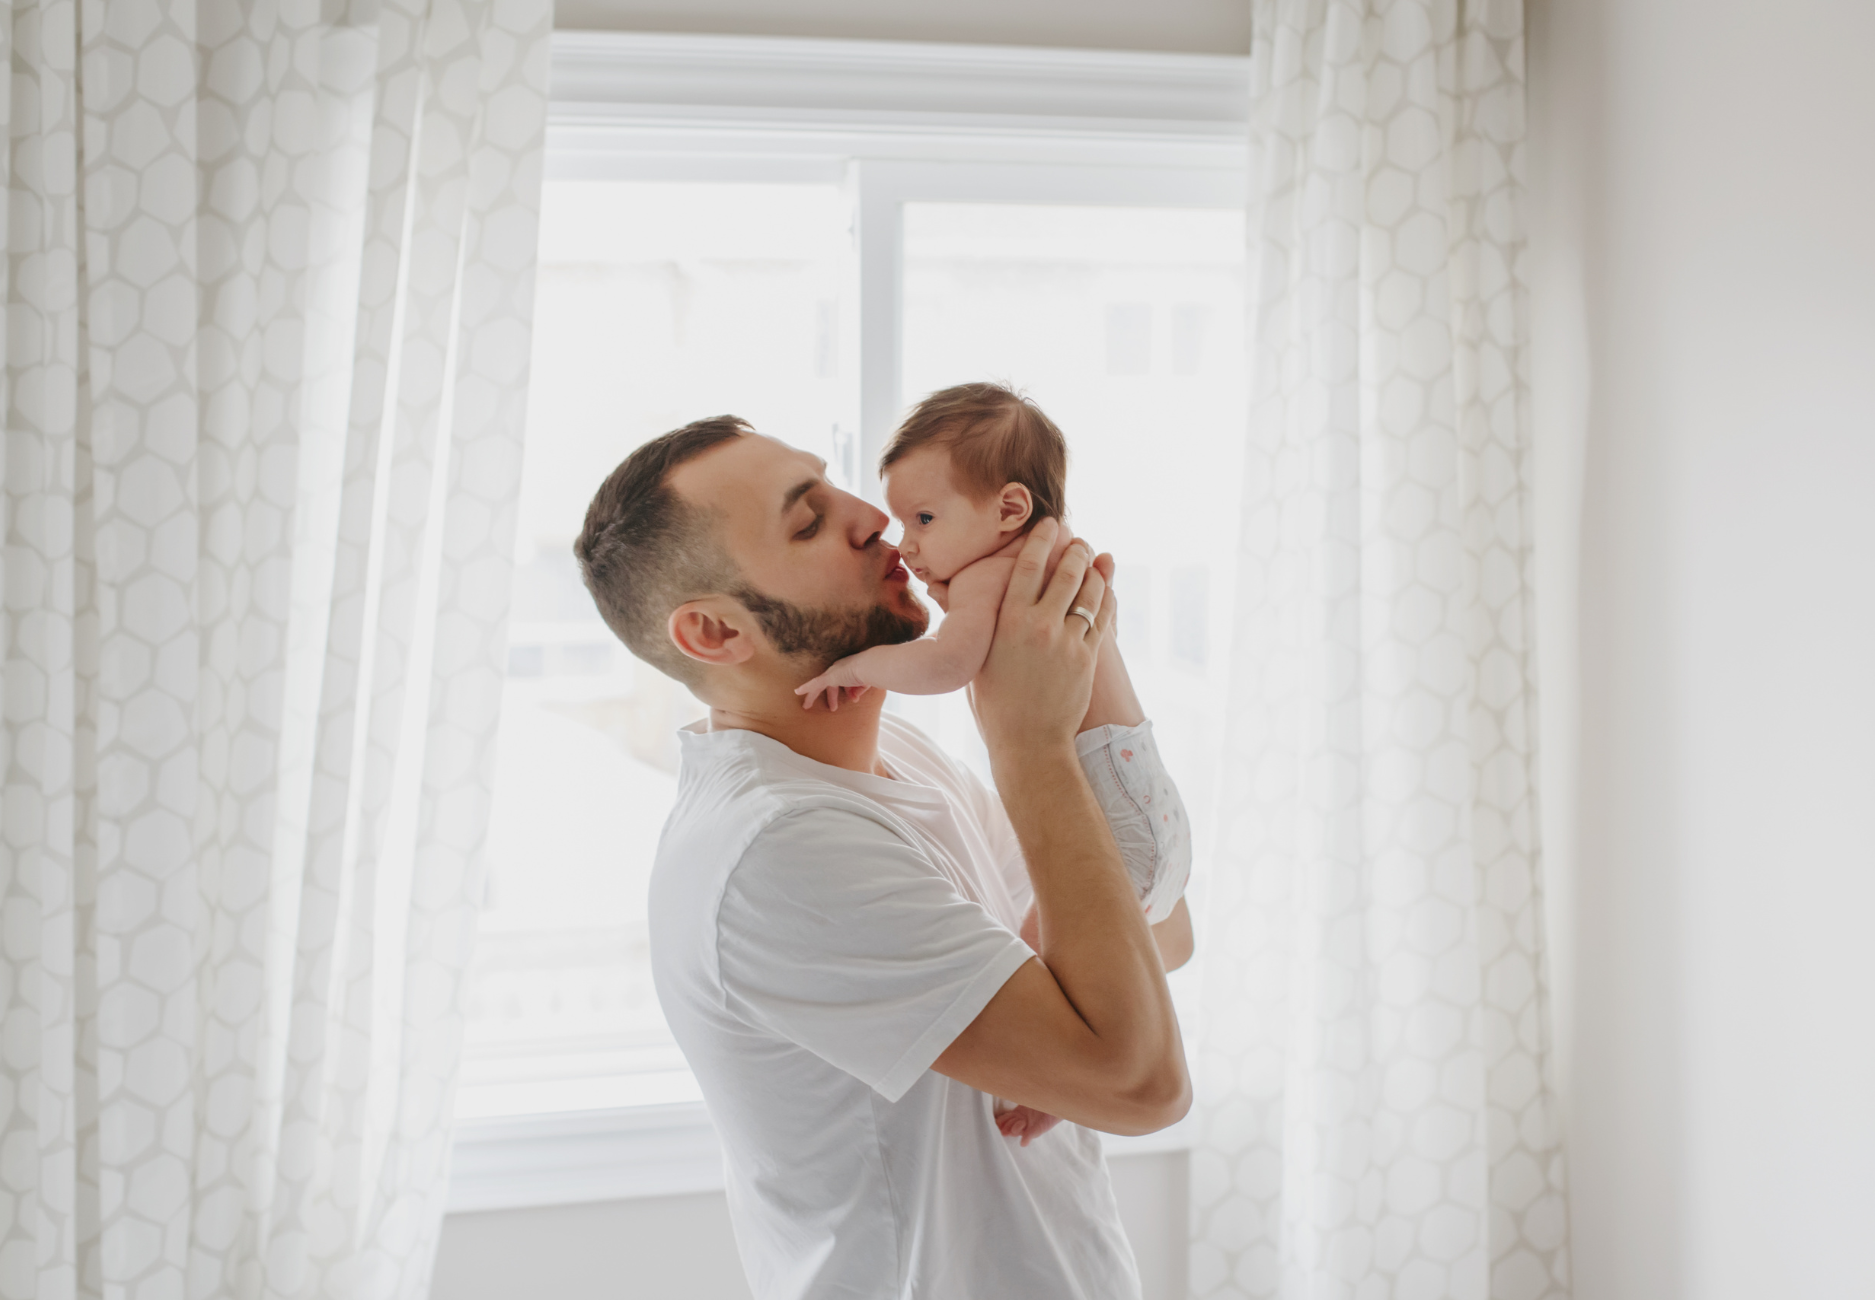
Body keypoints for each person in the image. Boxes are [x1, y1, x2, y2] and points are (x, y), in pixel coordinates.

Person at [572, 409, 1194, 1300]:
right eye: (807, 519)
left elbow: (1158, 929)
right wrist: (1030, 742)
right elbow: (1140, 1083)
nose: (869, 514)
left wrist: (1088, 653)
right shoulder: (776, 850)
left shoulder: (899, 756)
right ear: (714, 634)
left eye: (833, 487)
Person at [793, 384, 1193, 1145]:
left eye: (924, 518)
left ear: (1009, 511)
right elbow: (1178, 941)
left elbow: (947, 664)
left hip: (1111, 808)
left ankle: (1061, 1078)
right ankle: (1071, 1071)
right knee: (1064, 968)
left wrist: (860, 664)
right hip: (1145, 800)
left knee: (1045, 971)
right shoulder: (1051, 561)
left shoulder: (989, 577)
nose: (903, 544)